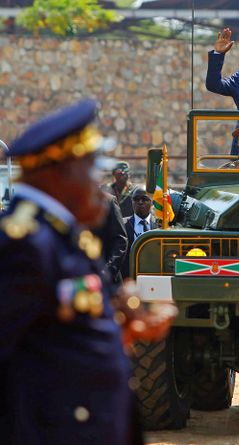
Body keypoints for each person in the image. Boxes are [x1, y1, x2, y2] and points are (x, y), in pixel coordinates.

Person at [0, 100, 150, 444]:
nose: (98, 183)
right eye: (90, 168)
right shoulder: (26, 245)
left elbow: (54, 330)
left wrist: (118, 324)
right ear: (59, 174)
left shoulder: (62, 235)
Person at [121, 187, 156, 280]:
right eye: (136, 199)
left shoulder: (161, 225)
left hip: (155, 277)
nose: (140, 202)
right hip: (129, 278)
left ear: (151, 202)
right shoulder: (122, 224)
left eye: (144, 199)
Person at [93, 194, 127, 285]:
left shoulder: (108, 201)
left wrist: (107, 271)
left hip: (108, 279)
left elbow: (121, 240)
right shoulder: (70, 201)